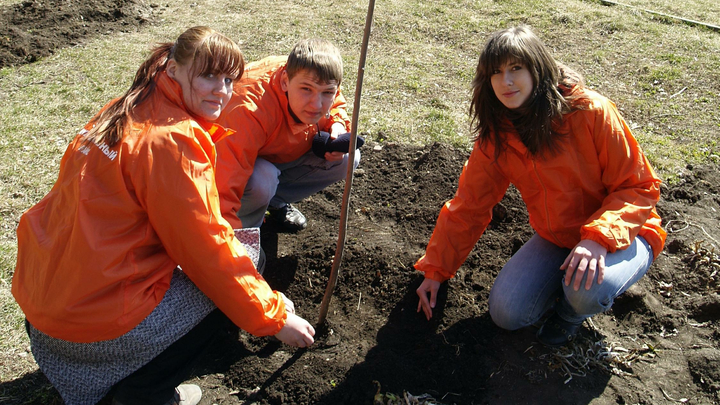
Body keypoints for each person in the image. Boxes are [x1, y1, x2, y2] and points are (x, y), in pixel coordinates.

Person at [11, 26, 315, 405]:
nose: (221, 90)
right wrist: (273, 316)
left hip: (43, 305)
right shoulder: (174, 140)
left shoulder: (127, 105)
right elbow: (208, 253)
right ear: (172, 69)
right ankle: (144, 394)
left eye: (228, 79)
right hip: (88, 326)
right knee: (244, 261)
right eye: (208, 76)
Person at [414, 25, 666, 347]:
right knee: (506, 312)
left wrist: (598, 239)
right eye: (496, 72)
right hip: (559, 237)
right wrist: (436, 270)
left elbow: (639, 186)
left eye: (515, 68)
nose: (505, 81)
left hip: (624, 233)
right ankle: (566, 284)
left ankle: (570, 314)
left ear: (537, 67)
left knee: (585, 290)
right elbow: (470, 204)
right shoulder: (499, 135)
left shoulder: (591, 112)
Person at [215, 38, 360, 232]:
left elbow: (336, 101)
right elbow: (226, 182)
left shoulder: (317, 74)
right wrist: (221, 239)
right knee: (262, 180)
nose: (316, 105)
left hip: (280, 149)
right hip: (236, 166)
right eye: (306, 90)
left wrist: (338, 125)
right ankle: (242, 231)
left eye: (326, 92)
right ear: (285, 81)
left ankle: (274, 201)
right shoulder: (248, 108)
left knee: (349, 158)